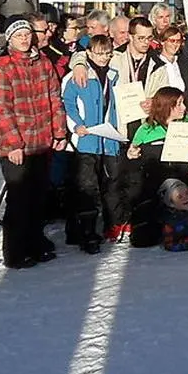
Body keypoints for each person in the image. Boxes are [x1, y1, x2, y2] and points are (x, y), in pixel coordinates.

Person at [0, 18, 68, 269]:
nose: (24, 39)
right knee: (19, 199)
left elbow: (54, 99)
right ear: (9, 39)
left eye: (27, 34)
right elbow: (0, 108)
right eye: (18, 35)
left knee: (38, 196)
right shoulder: (3, 67)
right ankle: (15, 251)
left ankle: (35, 242)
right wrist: (13, 144)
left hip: (41, 141)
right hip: (17, 145)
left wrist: (59, 132)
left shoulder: (43, 63)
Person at [61, 34, 124, 254]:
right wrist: (76, 125)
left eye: (107, 53)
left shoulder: (115, 75)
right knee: (87, 189)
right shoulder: (78, 75)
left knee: (111, 184)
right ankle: (86, 233)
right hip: (87, 140)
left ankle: (110, 226)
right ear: (88, 53)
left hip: (109, 140)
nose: (104, 58)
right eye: (99, 53)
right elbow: (67, 103)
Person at [125, 87, 188, 247]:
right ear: (166, 106)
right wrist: (132, 154)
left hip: (182, 185)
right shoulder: (146, 129)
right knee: (143, 239)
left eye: (183, 103)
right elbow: (134, 155)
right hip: (155, 188)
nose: (184, 108)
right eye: (178, 104)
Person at [145, 25, 188, 99]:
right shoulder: (155, 64)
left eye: (178, 41)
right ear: (162, 42)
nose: (175, 44)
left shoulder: (182, 63)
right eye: (172, 41)